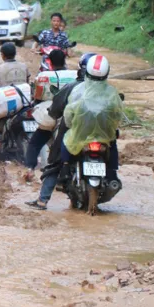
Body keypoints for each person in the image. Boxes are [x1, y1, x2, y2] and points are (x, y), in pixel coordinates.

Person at [26, 54, 123, 210]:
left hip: (77, 133)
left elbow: (63, 112)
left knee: (55, 160)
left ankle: (43, 199)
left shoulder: (75, 89)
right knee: (113, 143)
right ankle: (112, 174)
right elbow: (118, 115)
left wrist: (67, 123)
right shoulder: (111, 92)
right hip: (104, 136)